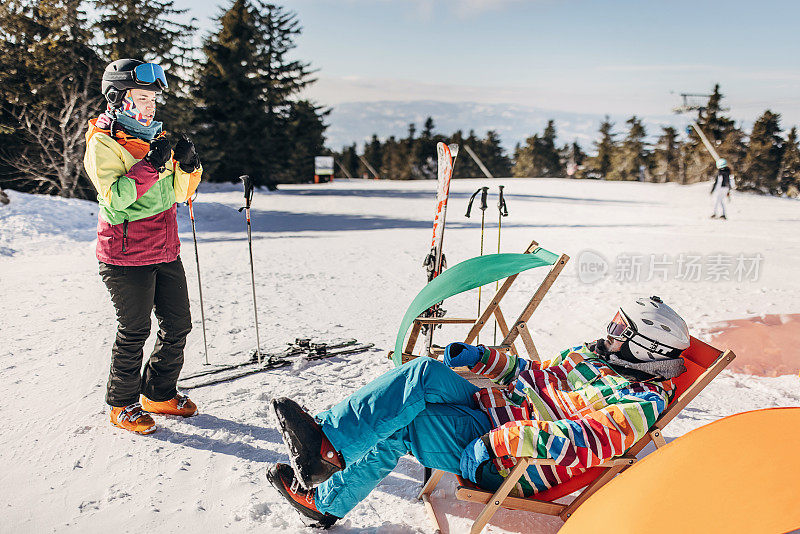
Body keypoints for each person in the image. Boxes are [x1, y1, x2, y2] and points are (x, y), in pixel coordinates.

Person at [266, 296, 690, 528]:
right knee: (422, 373)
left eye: (621, 330)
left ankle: (326, 483)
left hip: (508, 459)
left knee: (401, 423)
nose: (609, 334)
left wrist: (498, 440)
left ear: (647, 348)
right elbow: (535, 372)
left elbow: (582, 442)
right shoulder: (594, 357)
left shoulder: (640, 403)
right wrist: (483, 358)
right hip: (492, 411)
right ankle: (327, 447)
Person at [83, 59, 203, 435]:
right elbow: (117, 198)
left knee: (178, 324)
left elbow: (181, 194)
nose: (150, 106)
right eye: (141, 97)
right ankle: (122, 404)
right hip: (124, 255)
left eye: (153, 98)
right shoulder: (103, 142)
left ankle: (158, 394)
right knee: (134, 330)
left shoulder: (154, 138)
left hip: (165, 249)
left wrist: (188, 165)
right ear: (117, 98)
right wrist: (150, 165)